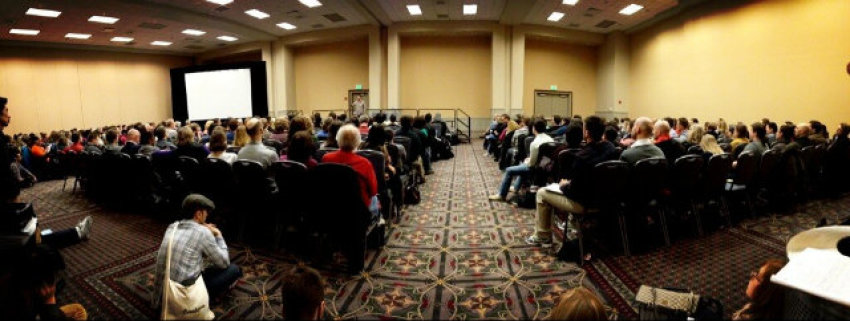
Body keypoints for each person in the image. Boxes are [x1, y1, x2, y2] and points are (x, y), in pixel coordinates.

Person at [528, 116, 616, 249]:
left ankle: (543, 235)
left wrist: (564, 186)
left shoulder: (583, 157)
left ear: (586, 133)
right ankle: (574, 224)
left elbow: (575, 192)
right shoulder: (611, 149)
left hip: (585, 203)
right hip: (607, 200)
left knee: (541, 193)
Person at [152, 194, 242, 309]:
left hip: (163, 296)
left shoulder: (172, 227)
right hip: (185, 300)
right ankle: (207, 300)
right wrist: (218, 235)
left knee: (203, 265)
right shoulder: (203, 233)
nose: (207, 215)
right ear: (198, 214)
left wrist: (202, 228)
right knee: (234, 269)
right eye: (206, 212)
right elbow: (224, 263)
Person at [489, 119, 552, 202]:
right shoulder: (550, 139)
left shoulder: (535, 143)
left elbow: (531, 164)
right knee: (523, 164)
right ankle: (515, 188)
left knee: (509, 170)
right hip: (546, 167)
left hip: (535, 168)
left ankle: (501, 195)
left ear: (534, 128)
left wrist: (527, 161)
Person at [322, 124, 378, 207]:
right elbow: (373, 190)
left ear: (338, 139)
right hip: (358, 209)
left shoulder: (326, 158)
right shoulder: (365, 163)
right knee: (375, 199)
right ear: (357, 142)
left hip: (330, 204)